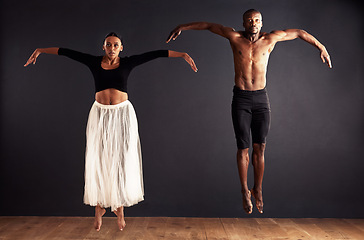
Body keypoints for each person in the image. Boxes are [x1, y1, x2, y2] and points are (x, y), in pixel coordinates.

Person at [24, 32, 197, 231]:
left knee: (120, 159)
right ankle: (99, 208)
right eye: (108, 45)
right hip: (99, 114)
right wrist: (40, 50)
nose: (112, 48)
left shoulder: (128, 63)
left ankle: (119, 208)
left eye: (116, 45)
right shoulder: (93, 62)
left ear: (121, 48)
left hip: (123, 114)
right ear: (103, 47)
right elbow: (66, 52)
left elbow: (156, 54)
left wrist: (182, 54)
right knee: (99, 158)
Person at [166, 9, 332, 214]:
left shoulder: (271, 38)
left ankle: (258, 189)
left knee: (260, 147)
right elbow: (209, 26)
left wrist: (321, 47)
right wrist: (183, 26)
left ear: (262, 23)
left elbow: (298, 32)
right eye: (250, 20)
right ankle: (245, 190)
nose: (253, 23)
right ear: (244, 23)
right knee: (243, 148)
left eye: (257, 20)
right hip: (241, 99)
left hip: (261, 99)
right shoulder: (234, 37)